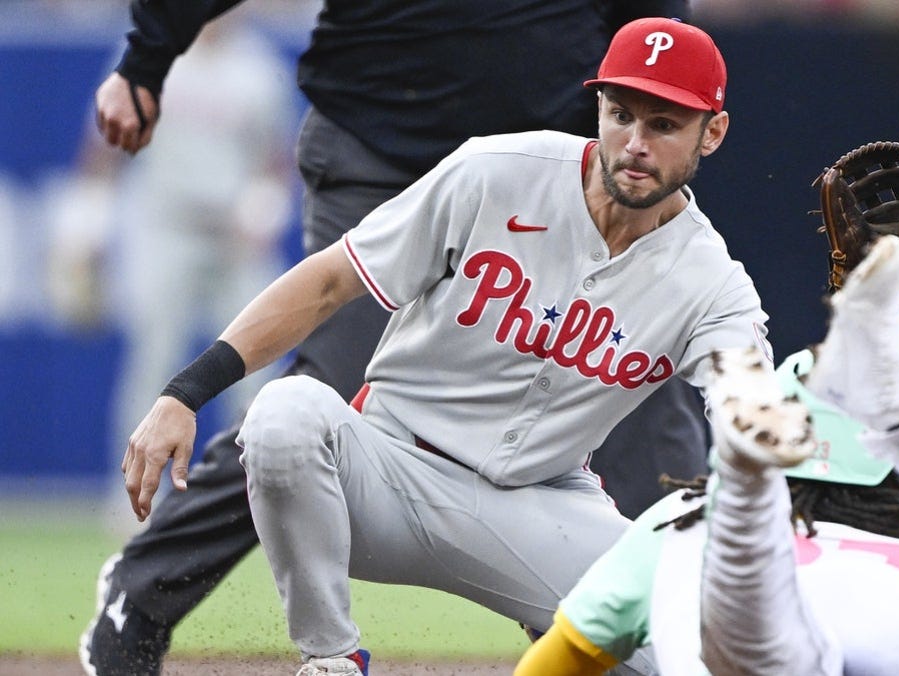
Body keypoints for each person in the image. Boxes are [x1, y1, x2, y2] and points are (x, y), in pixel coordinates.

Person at [119, 17, 769, 676]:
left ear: (710, 133)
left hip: (540, 510)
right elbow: (328, 282)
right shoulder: (497, 172)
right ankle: (331, 658)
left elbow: (755, 415)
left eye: (663, 124)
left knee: (706, 653)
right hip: (385, 478)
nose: (634, 142)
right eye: (620, 113)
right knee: (283, 417)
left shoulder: (711, 282)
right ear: (596, 106)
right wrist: (185, 392)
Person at [514, 235, 899, 675]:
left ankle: (746, 481)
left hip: (738, 600)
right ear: (885, 470)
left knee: (758, 645)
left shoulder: (674, 528)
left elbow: (560, 660)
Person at [46, 18, 294, 526]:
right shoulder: (152, 52)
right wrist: (84, 226)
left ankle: (259, 504)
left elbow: (275, 159)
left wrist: (263, 207)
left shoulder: (259, 68)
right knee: (154, 363)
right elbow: (105, 145)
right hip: (164, 224)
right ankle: (134, 497)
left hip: (232, 235)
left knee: (258, 368)